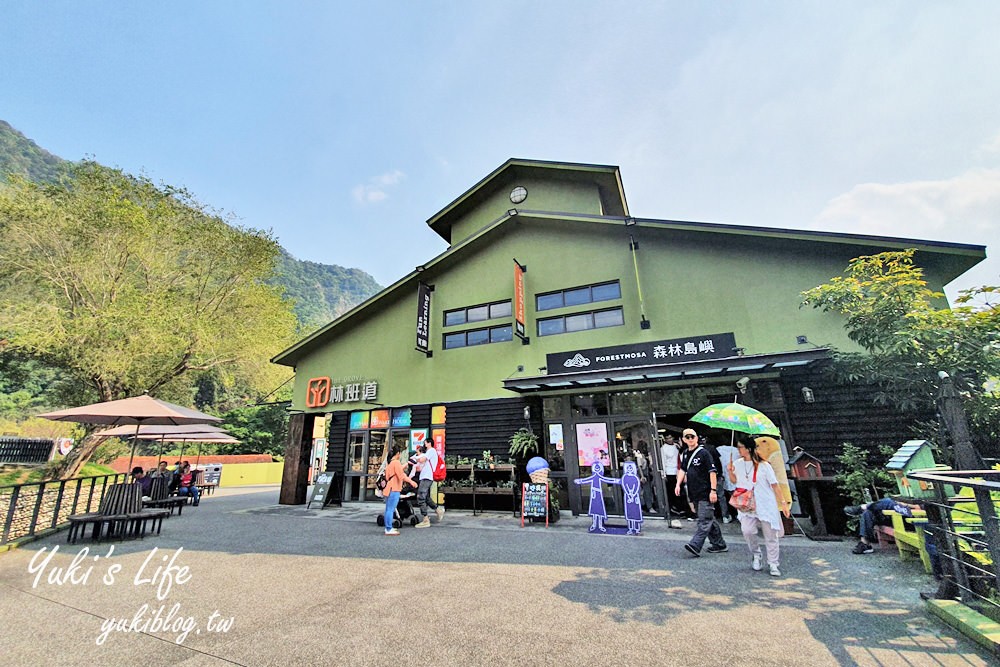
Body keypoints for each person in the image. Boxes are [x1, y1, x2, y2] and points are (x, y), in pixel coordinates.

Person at [727, 436, 791, 576]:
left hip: (764, 503)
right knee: (747, 531)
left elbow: (775, 485)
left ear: (748, 449)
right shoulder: (737, 463)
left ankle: (773, 563)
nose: (738, 450)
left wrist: (783, 503)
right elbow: (734, 481)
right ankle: (756, 554)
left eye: (740, 447)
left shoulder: (764, 465)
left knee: (770, 535)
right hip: (746, 505)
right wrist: (730, 471)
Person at [676, 428, 727, 556]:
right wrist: (678, 484)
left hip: (705, 491)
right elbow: (682, 470)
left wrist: (713, 490)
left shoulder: (704, 453)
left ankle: (695, 544)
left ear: (697, 438)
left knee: (704, 520)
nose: (690, 439)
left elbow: (712, 472)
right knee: (708, 518)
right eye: (687, 437)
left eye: (692, 436)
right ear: (683, 440)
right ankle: (719, 543)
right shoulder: (686, 453)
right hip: (694, 491)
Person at [845, 497, 923, 554]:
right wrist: (901, 503)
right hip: (901, 516)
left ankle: (862, 507)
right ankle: (865, 544)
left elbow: (919, 507)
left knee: (888, 502)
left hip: (916, 520)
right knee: (869, 512)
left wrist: (903, 504)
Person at [382, 444, 418, 535]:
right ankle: (389, 529)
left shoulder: (390, 463)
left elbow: (388, 475)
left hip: (388, 488)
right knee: (391, 509)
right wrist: (411, 482)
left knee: (388, 509)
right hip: (394, 488)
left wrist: (404, 465)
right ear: (398, 453)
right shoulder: (396, 463)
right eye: (400, 453)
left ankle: (388, 527)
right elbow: (401, 476)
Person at [412, 445, 444, 527]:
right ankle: (438, 510)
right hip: (424, 477)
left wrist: (415, 458)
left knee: (420, 497)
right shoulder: (427, 456)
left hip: (427, 477)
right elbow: (419, 468)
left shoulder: (431, 451)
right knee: (425, 497)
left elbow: (421, 459)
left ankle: (425, 519)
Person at [660, 434, 686, 517]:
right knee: (672, 492)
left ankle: (680, 508)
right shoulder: (663, 449)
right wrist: (664, 474)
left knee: (680, 491)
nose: (669, 439)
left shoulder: (676, 446)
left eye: (670, 437)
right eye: (667, 438)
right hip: (669, 472)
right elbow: (663, 462)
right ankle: (672, 508)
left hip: (678, 471)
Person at [716, 441, 740, 523]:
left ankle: (725, 516)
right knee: (737, 496)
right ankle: (739, 514)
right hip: (734, 476)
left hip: (722, 476)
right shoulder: (737, 450)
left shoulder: (717, 450)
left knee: (722, 496)